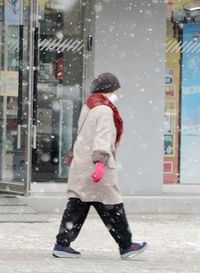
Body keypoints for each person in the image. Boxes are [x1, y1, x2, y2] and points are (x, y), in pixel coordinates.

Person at [52, 72, 148, 260]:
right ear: (108, 90)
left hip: (83, 166)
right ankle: (126, 246)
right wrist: (100, 162)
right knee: (112, 206)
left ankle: (62, 244)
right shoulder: (104, 110)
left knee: (78, 205)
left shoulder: (90, 106)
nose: (116, 94)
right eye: (115, 90)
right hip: (96, 168)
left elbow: (83, 136)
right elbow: (102, 138)